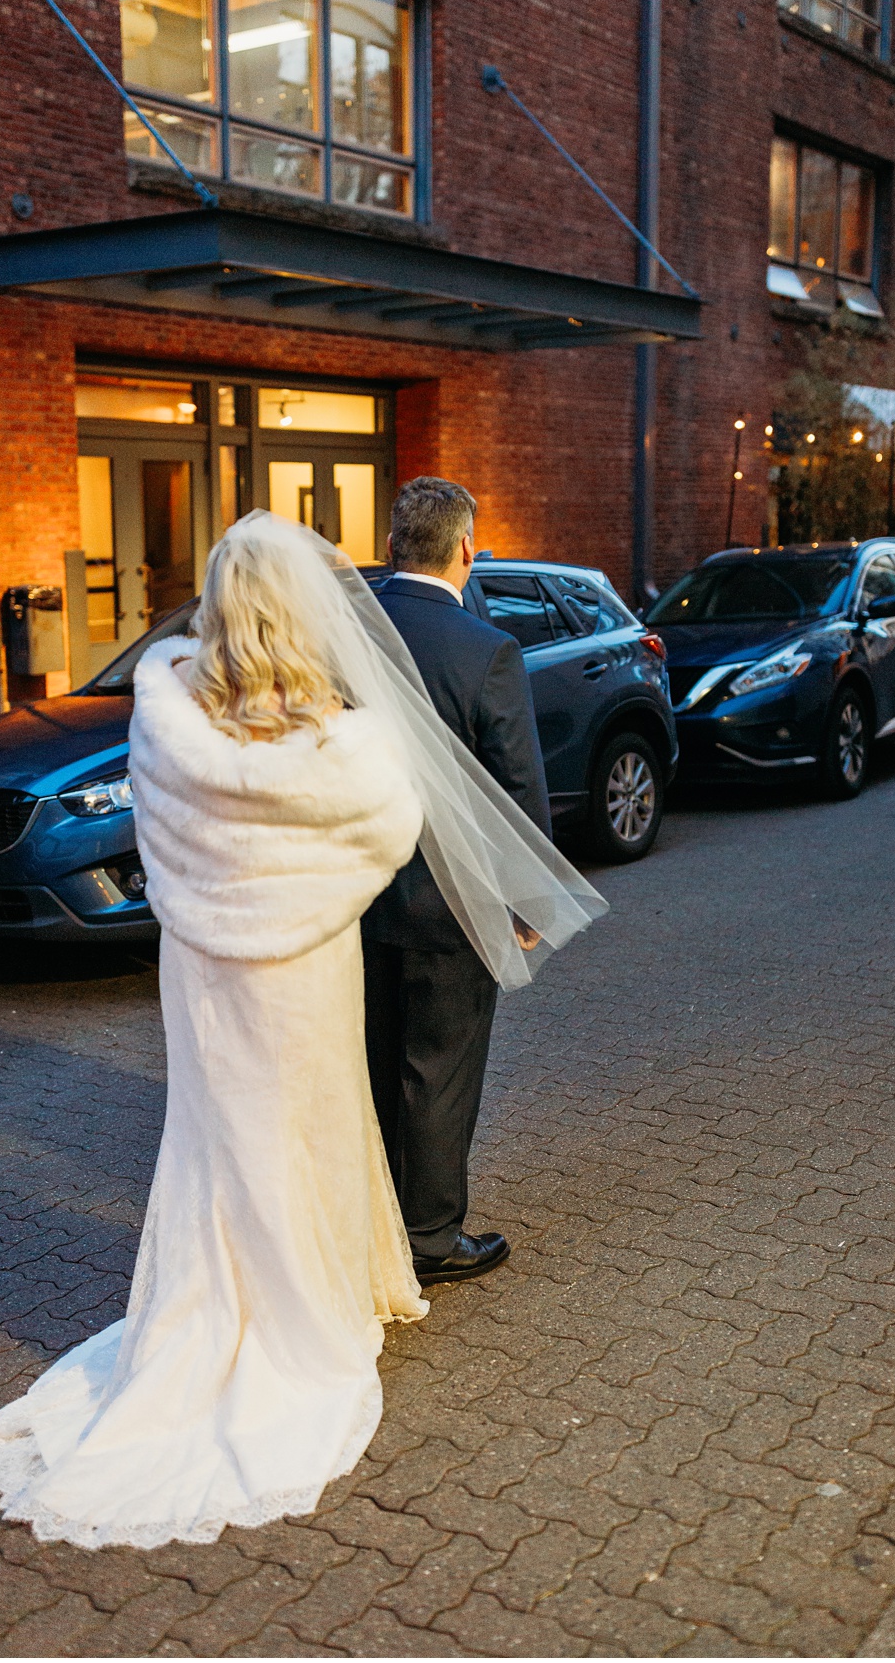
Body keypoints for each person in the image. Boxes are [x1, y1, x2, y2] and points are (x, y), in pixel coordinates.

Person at [0, 512, 604, 1551]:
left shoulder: (165, 715)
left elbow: (151, 842)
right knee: (305, 1136)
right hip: (300, 970)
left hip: (201, 974)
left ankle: (213, 1306)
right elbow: (390, 835)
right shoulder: (338, 741)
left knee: (217, 1143)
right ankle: (307, 1306)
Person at [363, 477, 549, 1286]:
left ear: (394, 542)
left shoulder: (348, 632)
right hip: (450, 902)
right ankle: (431, 1237)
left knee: (373, 1061)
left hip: (354, 896)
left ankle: (369, 1221)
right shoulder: (487, 650)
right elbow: (518, 789)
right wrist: (529, 900)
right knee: (438, 1068)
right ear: (467, 550)